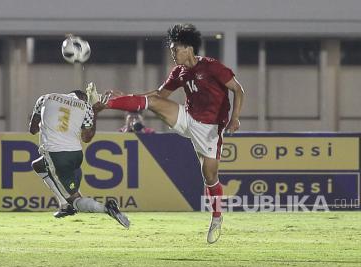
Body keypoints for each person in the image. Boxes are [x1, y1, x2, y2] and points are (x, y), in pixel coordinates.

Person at [91, 23, 245, 243]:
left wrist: (235, 118)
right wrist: (126, 95)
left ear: (188, 48)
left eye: (175, 49)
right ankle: (105, 103)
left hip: (210, 128)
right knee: (154, 102)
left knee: (209, 176)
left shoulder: (212, 67)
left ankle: (217, 218)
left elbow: (238, 89)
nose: (172, 54)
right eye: (172, 50)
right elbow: (159, 95)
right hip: (186, 118)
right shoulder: (179, 72)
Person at [28, 88, 130, 228]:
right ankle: (64, 205)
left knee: (75, 200)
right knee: (38, 165)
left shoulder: (46, 97)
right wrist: (95, 112)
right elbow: (87, 138)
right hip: (75, 154)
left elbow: (32, 130)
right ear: (83, 98)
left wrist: (45, 122)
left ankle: (106, 208)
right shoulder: (86, 106)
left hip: (56, 154)